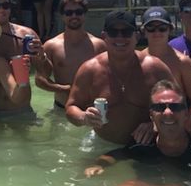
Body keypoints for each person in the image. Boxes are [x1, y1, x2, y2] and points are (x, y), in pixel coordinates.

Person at [66, 10, 175, 145]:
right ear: (104, 36)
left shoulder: (156, 68)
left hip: (146, 145)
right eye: (113, 32)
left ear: (136, 36)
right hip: (103, 144)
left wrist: (155, 124)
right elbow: (71, 107)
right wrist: (84, 117)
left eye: (126, 32)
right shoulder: (89, 70)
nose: (120, 38)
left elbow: (179, 105)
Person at [0, 0, 47, 121]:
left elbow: (45, 74)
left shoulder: (26, 34)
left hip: (22, 110)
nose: (2, 9)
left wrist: (41, 55)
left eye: (6, 5)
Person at [35, 0, 106, 110]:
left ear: (84, 14)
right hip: (61, 109)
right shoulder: (51, 46)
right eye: (69, 13)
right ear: (62, 16)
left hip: (91, 110)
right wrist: (63, 89)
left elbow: (109, 78)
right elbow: (39, 79)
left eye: (78, 12)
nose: (74, 16)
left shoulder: (99, 45)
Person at [140, 6, 191, 112]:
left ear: (170, 30)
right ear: (144, 31)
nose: (157, 32)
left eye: (162, 28)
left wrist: (186, 124)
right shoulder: (137, 60)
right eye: (151, 28)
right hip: (144, 123)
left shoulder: (183, 62)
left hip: (174, 122)